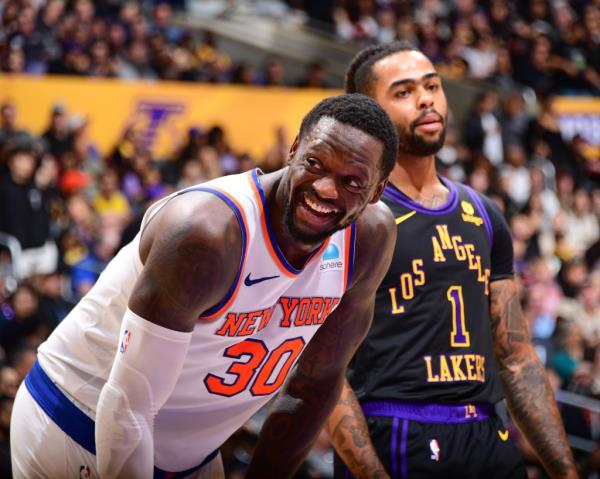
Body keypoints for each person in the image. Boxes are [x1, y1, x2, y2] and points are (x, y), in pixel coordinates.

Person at [10, 93, 399, 479]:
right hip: (79, 424)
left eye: (352, 182)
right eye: (315, 164)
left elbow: (315, 386)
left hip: (189, 454)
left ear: (377, 191)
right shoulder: (207, 233)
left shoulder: (369, 240)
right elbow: (128, 406)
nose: (327, 189)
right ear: (293, 149)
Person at [326, 42, 578, 479]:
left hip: (487, 431)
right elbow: (322, 373)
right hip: (397, 431)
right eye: (403, 92)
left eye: (432, 86)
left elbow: (516, 357)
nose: (426, 99)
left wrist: (565, 471)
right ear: (368, 114)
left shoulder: (484, 214)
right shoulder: (353, 219)